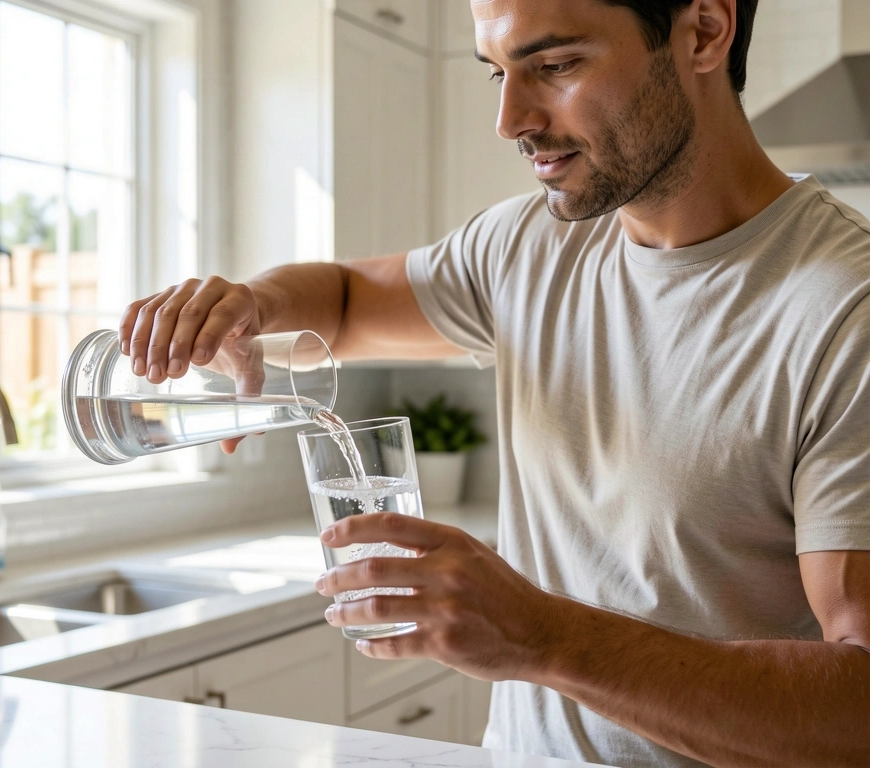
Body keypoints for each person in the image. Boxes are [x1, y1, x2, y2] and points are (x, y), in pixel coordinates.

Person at [120, 0, 870, 764]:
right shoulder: (527, 247)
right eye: (496, 72)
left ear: (704, 31)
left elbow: (858, 710)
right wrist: (254, 305)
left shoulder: (846, 311)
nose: (511, 119)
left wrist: (545, 638)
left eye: (556, 65)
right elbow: (346, 301)